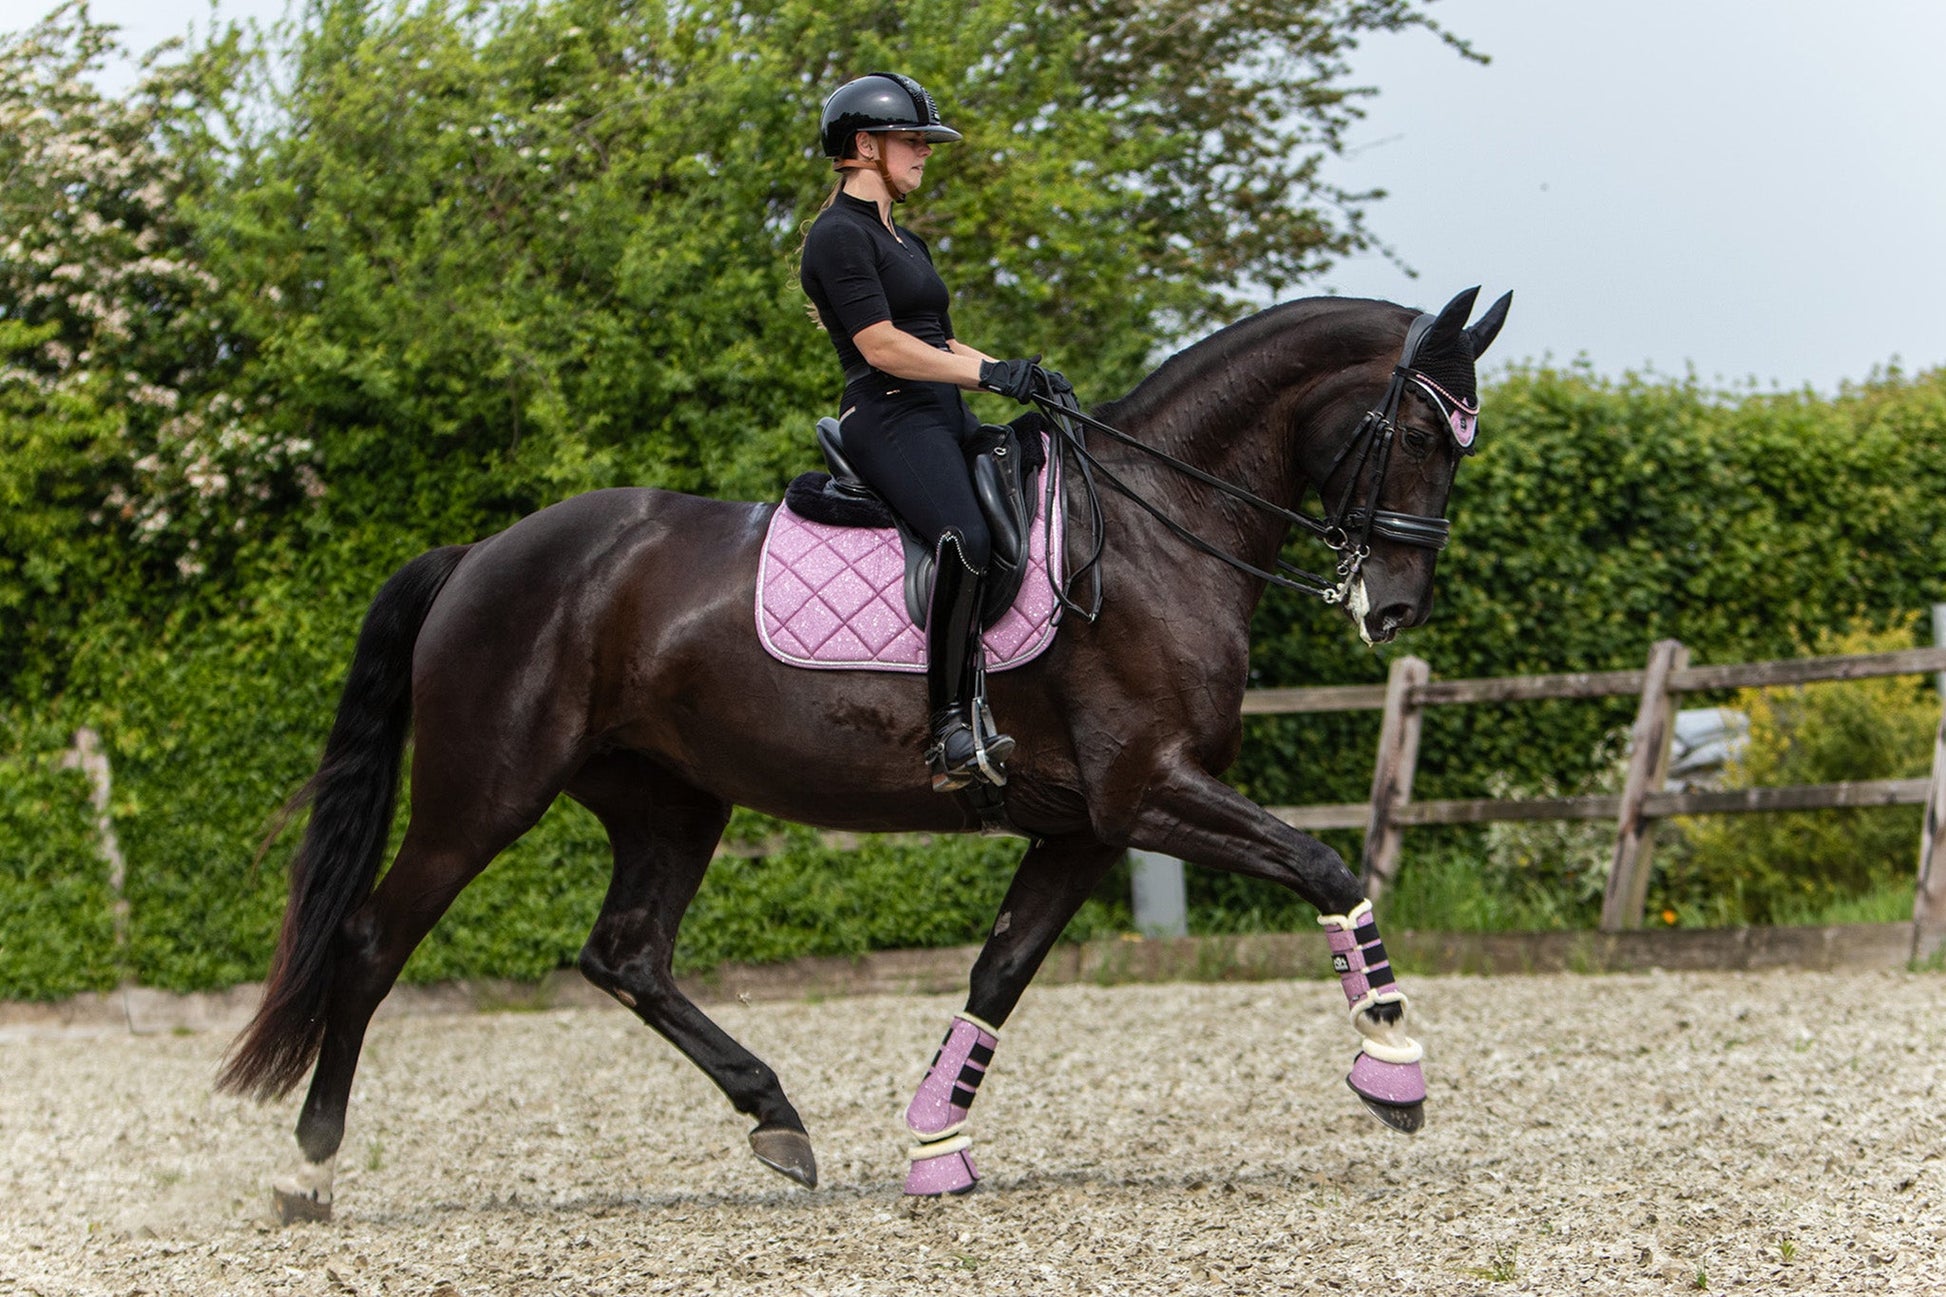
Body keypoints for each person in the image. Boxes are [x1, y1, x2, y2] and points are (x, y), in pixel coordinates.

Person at [798, 72, 1055, 793]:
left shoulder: (905, 240)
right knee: (964, 537)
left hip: (942, 411)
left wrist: (1020, 374)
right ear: (864, 147)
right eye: (912, 140)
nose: (924, 152)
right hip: (887, 414)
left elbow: (940, 342)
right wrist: (988, 376)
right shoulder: (837, 236)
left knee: (1038, 470)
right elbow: (883, 346)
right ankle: (947, 728)